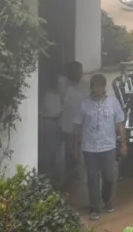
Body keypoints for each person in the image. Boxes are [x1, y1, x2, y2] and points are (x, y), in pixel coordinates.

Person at [74, 73, 127, 221]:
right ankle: (94, 207)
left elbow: (120, 124)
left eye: (100, 86)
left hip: (108, 146)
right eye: (95, 86)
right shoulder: (84, 103)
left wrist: (123, 144)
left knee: (109, 177)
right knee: (92, 178)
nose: (98, 89)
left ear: (104, 87)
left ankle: (107, 200)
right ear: (91, 87)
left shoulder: (113, 102)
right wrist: (76, 146)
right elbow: (78, 126)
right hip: (89, 147)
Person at [59, 60, 87, 184]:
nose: (80, 74)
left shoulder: (85, 86)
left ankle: (77, 167)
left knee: (79, 145)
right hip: (68, 121)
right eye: (77, 71)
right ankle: (70, 170)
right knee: (69, 147)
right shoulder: (63, 85)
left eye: (80, 71)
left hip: (81, 122)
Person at [38, 69, 65, 188]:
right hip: (50, 124)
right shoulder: (51, 95)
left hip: (49, 124)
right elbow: (57, 112)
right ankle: (49, 178)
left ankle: (49, 176)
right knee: (51, 153)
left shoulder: (47, 94)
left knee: (50, 152)